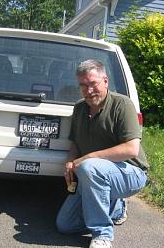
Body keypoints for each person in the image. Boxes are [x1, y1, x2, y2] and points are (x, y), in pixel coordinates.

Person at [56, 59, 149, 248]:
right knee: (65, 225)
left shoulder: (123, 105)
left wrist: (88, 157)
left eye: (93, 84)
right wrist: (70, 160)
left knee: (90, 167)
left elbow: (131, 149)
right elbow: (75, 141)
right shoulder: (80, 108)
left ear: (105, 81)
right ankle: (116, 208)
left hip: (130, 173)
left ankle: (102, 235)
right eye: (83, 85)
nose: (88, 91)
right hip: (95, 174)